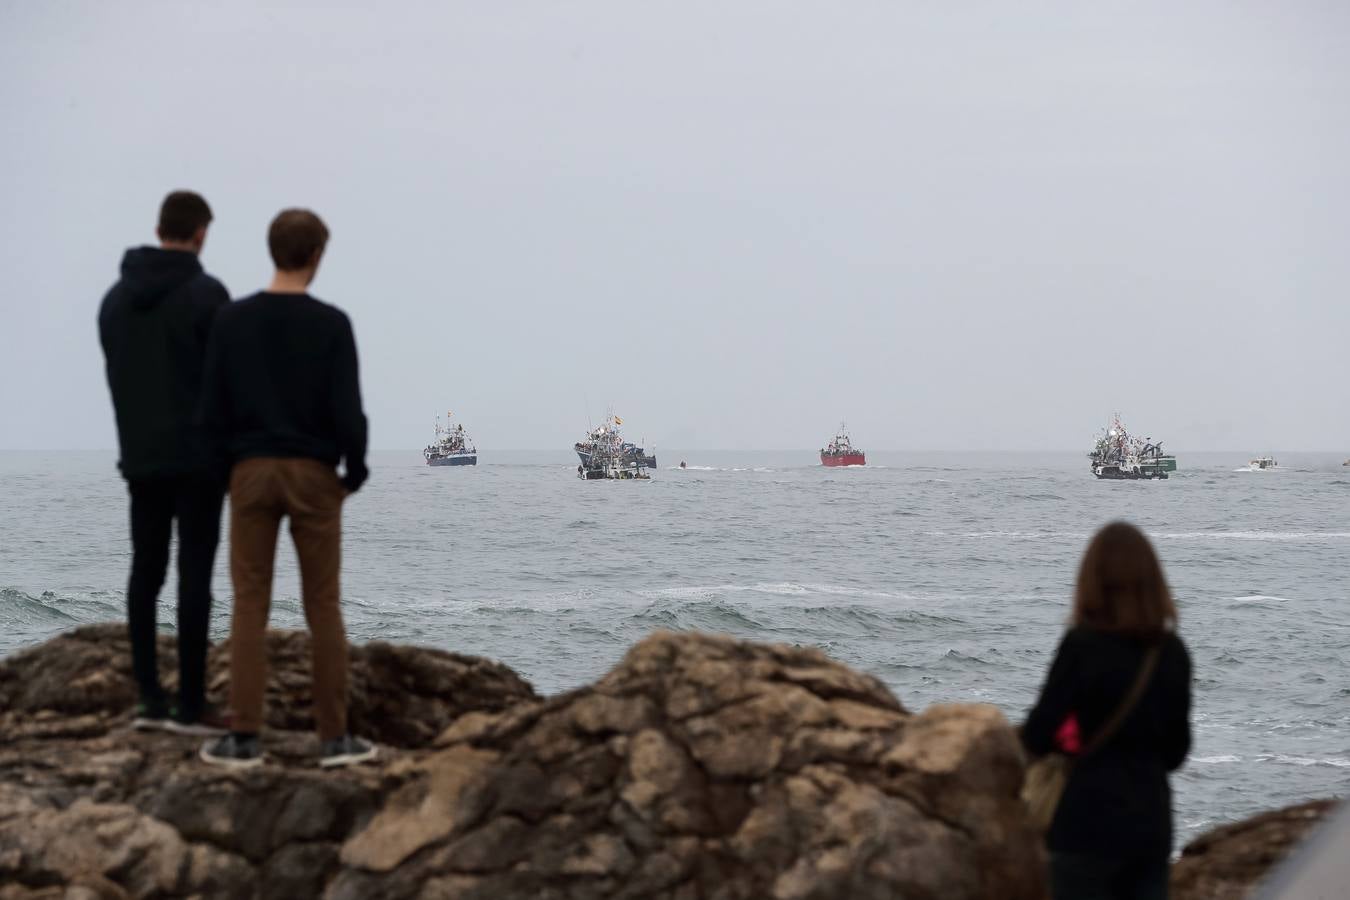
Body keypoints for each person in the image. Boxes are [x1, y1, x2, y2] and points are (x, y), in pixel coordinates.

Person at [197, 208, 374, 769]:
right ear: (316, 255)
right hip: (314, 474)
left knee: (249, 602)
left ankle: (244, 736)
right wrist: (356, 470)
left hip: (250, 471)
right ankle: (333, 739)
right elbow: (348, 410)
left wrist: (227, 467)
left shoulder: (232, 321)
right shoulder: (332, 324)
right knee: (322, 603)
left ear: (272, 250)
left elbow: (211, 410)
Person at [98, 190, 231, 735]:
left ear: (159, 229)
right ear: (201, 232)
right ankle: (192, 704)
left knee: (144, 572)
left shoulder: (114, 300)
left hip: (142, 457)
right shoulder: (209, 295)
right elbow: (227, 381)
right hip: (200, 461)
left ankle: (149, 698)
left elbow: (119, 377)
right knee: (193, 575)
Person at [1022, 522, 1192, 900]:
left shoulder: (1082, 644)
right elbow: (1177, 751)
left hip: (1084, 823)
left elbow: (1039, 733)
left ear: (1092, 578)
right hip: (1149, 826)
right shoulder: (1170, 652)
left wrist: (1071, 742)